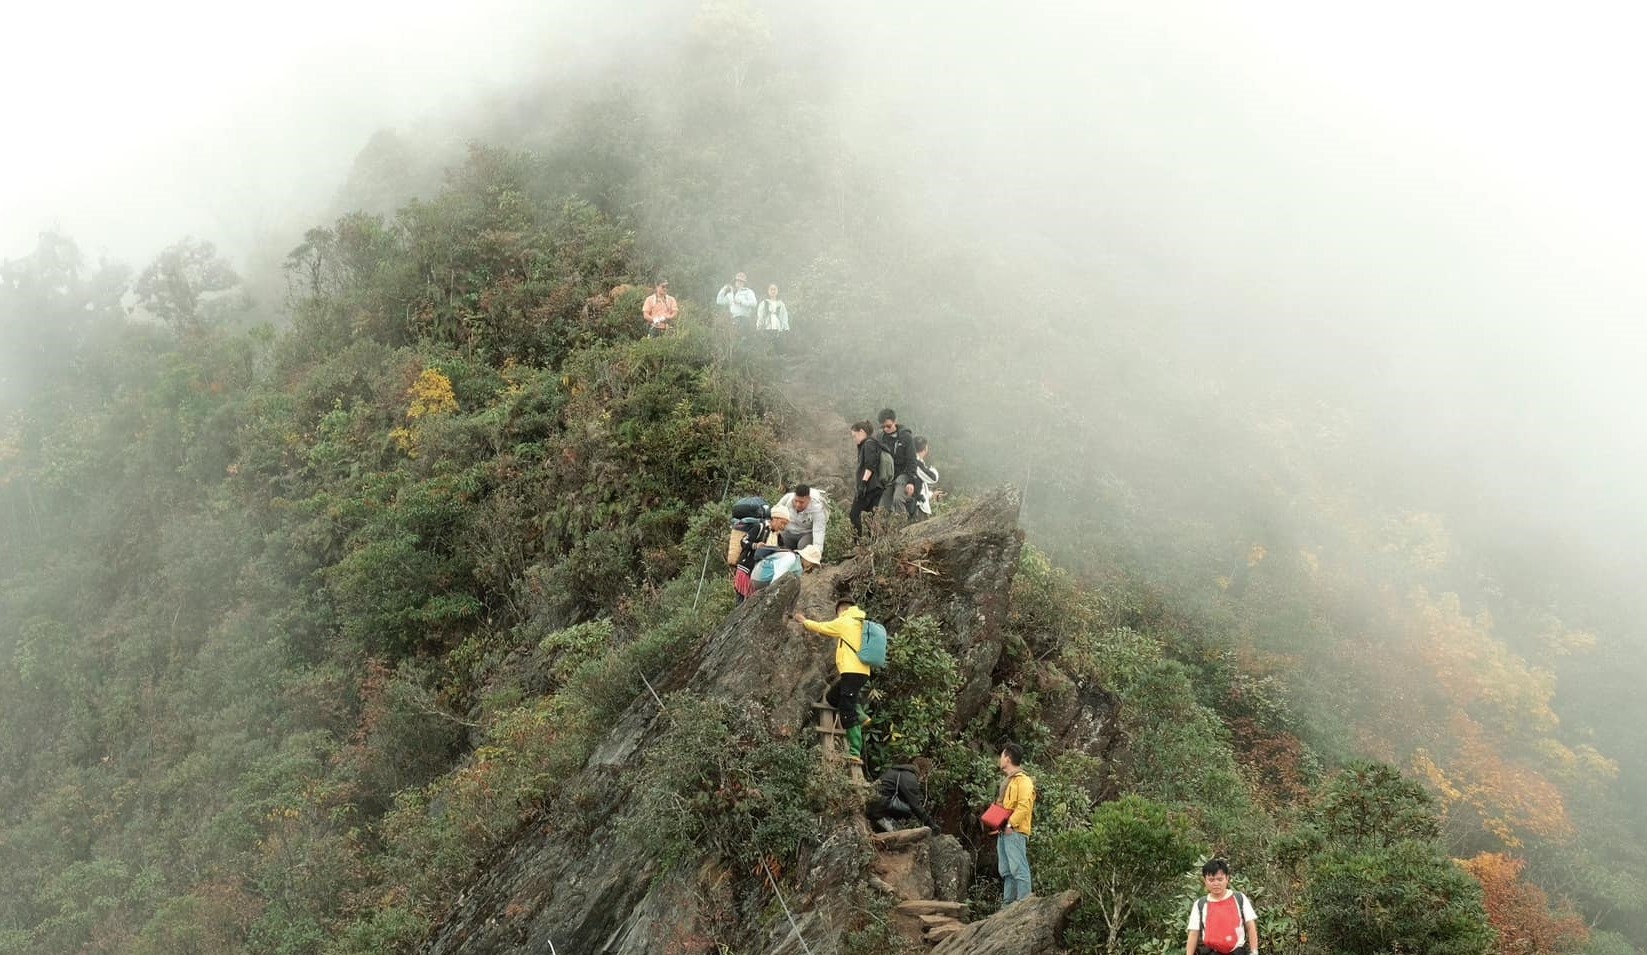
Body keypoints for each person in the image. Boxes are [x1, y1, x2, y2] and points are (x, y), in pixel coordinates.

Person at [792, 597, 869, 763]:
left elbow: (822, 628)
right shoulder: (862, 622)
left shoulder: (845, 621)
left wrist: (804, 621)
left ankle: (855, 751)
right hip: (862, 672)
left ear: (841, 610)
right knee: (834, 698)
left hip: (851, 671)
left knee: (847, 711)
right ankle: (862, 716)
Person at [990, 743, 1035, 906]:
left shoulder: (1024, 781)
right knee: (1006, 871)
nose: (1000, 759)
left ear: (1007, 758)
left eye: (1001, 756)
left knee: (1018, 869)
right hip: (1004, 831)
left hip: (1014, 831)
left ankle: (1023, 905)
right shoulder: (1008, 780)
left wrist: (1009, 825)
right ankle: (1007, 907)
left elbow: (1024, 807)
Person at [1185, 859, 1258, 955]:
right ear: (1205, 881)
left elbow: (1250, 926)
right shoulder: (1200, 904)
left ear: (1227, 878)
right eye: (1211, 880)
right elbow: (1194, 933)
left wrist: (1254, 951)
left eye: (1220, 879)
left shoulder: (1239, 898)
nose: (1216, 883)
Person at [866, 757, 940, 833]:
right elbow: (915, 806)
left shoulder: (896, 770)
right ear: (923, 771)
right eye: (926, 775)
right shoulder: (910, 777)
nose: (924, 779)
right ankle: (882, 818)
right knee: (908, 810)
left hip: (872, 802)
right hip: (878, 807)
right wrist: (931, 824)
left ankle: (885, 818)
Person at [876, 409, 918, 515]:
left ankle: (903, 528)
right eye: (883, 427)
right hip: (888, 477)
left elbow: (912, 460)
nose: (886, 429)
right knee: (882, 507)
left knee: (898, 499)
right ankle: (885, 531)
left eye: (888, 426)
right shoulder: (881, 438)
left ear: (895, 421)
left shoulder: (906, 437)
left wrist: (911, 482)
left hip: (904, 475)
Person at [849, 422, 883, 536]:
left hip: (869, 487)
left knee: (854, 514)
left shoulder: (868, 444)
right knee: (870, 517)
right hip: (876, 487)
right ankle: (870, 545)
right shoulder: (871, 443)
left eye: (854, 436)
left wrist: (863, 484)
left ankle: (857, 543)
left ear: (862, 432)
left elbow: (870, 466)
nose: (854, 439)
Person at [775, 484, 828, 551]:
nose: (798, 505)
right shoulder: (787, 499)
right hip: (789, 531)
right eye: (796, 501)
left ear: (809, 499)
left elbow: (818, 532)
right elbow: (775, 513)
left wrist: (816, 553)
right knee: (778, 541)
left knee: (803, 546)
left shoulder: (817, 509)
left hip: (806, 534)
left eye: (801, 502)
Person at [750, 544, 822, 592]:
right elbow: (778, 576)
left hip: (765, 580)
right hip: (761, 578)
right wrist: (772, 594)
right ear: (805, 557)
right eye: (811, 562)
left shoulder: (798, 567)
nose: (811, 566)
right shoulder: (790, 558)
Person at [912, 436, 939, 520]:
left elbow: (921, 488)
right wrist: (932, 469)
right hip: (917, 508)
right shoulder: (916, 463)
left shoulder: (914, 461)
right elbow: (933, 478)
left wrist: (931, 495)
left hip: (918, 506)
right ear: (925, 449)